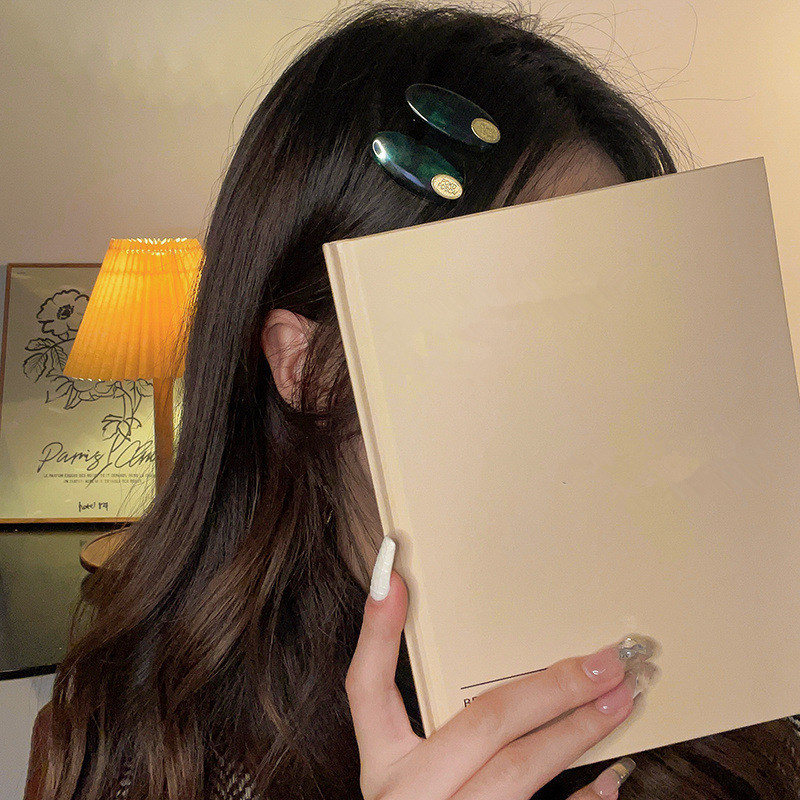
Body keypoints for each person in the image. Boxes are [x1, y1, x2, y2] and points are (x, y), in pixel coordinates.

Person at [29, 3, 800, 799]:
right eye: (515, 320)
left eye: (616, 311)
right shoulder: (154, 753)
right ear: (306, 367)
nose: (593, 394)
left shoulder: (736, 663)